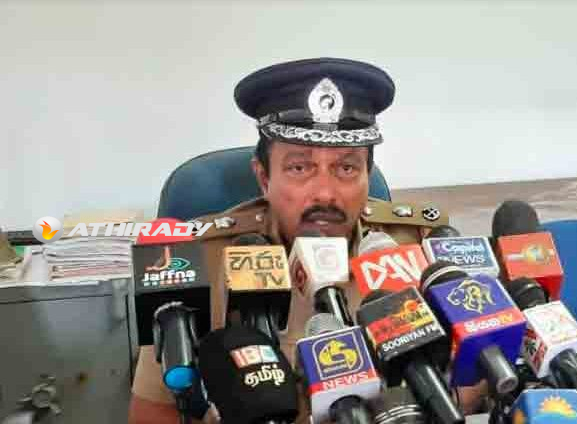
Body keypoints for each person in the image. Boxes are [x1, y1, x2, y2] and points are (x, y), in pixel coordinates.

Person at [128, 58, 486, 424]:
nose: (325, 193)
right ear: (263, 178)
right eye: (299, 168)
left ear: (368, 175)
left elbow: (475, 378)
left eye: (346, 168)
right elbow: (153, 413)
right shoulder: (202, 261)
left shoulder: (415, 250)